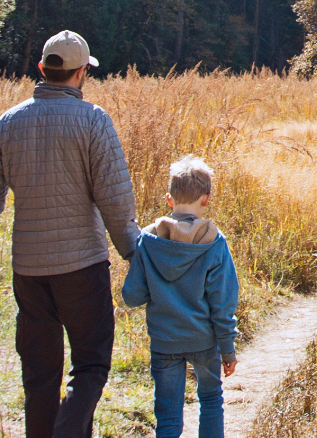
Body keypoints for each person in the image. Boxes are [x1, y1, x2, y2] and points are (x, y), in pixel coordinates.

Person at [0, 30, 139, 438]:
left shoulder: (7, 124)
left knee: (40, 377)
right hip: (83, 267)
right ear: (81, 73)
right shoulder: (94, 121)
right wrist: (137, 255)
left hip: (30, 271)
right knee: (91, 365)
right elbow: (115, 201)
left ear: (43, 69)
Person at [123, 154, 242, 438]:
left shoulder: (148, 240)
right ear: (206, 199)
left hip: (165, 342)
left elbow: (132, 296)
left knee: (168, 415)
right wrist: (227, 348)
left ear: (169, 199)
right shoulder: (214, 242)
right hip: (204, 340)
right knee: (211, 400)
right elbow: (223, 303)